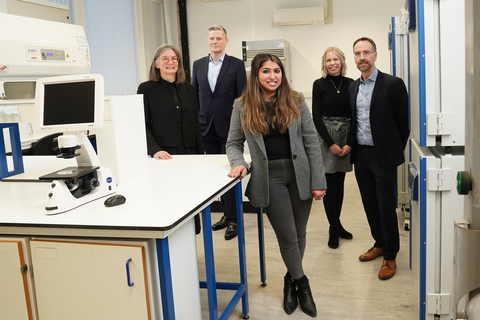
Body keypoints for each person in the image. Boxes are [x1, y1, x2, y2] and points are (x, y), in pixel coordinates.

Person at [226, 53, 327, 317]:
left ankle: (289, 280)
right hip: (269, 178)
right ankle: (303, 284)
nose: (273, 76)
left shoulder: (296, 100)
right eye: (266, 71)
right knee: (287, 236)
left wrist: (318, 179)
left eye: (277, 71)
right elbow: (233, 143)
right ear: (256, 76)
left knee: (300, 233)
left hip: (300, 174)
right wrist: (238, 163)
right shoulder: (242, 105)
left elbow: (311, 142)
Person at [348, 37, 409, 280]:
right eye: (357, 53)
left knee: (386, 206)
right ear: (354, 58)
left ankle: (391, 255)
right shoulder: (354, 87)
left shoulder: (393, 84)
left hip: (383, 156)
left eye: (366, 52)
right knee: (370, 204)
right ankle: (379, 243)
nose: (361, 57)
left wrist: (392, 151)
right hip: (361, 154)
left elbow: (403, 124)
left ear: (375, 55)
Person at [137, 44, 204, 232]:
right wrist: (155, 149)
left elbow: (195, 124)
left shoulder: (188, 89)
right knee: (170, 201)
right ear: (157, 63)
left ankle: (190, 235)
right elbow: (142, 124)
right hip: (165, 154)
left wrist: (201, 155)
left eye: (174, 58)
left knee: (190, 198)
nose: (170, 62)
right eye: (165, 58)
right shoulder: (146, 88)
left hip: (189, 152)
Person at [192, 25, 247, 240]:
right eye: (211, 38)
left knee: (232, 173)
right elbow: (195, 96)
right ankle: (226, 214)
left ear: (226, 41)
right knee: (217, 174)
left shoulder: (236, 65)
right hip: (206, 127)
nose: (215, 42)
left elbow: (243, 97)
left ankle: (234, 220)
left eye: (219, 38)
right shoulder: (198, 65)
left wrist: (241, 126)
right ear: (208, 41)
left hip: (230, 128)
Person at [312, 47, 354, 249]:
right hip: (326, 138)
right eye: (328, 60)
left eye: (335, 59)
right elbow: (316, 117)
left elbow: (357, 115)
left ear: (342, 62)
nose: (332, 63)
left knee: (340, 184)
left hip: (346, 136)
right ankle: (333, 228)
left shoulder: (351, 84)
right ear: (324, 63)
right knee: (329, 185)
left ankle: (337, 224)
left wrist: (349, 143)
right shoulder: (319, 84)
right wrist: (331, 143)